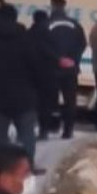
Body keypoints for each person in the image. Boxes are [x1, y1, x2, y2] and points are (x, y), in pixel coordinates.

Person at [0, 4, 44, 173]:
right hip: (24, 95)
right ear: (15, 18)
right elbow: (36, 66)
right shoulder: (25, 38)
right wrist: (36, 88)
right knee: (27, 135)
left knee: (0, 135)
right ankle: (27, 165)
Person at [47, 0, 87, 140]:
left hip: (52, 69)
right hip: (71, 69)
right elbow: (82, 44)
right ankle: (68, 130)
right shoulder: (75, 24)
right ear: (64, 7)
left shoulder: (47, 24)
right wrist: (73, 60)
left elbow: (43, 45)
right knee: (70, 100)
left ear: (52, 6)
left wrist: (58, 59)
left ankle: (51, 127)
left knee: (50, 99)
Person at [28, 11, 59, 140]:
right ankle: (43, 130)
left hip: (30, 74)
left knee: (30, 104)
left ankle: (26, 130)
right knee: (45, 104)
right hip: (47, 74)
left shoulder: (29, 33)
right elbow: (52, 52)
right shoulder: (49, 33)